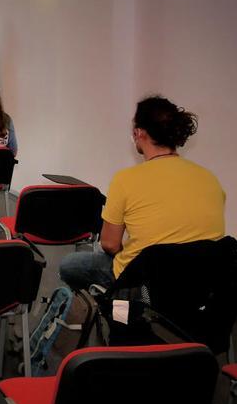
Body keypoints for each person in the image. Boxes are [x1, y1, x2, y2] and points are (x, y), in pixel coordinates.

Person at [59, 96, 225, 290]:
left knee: (70, 264)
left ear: (139, 133)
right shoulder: (210, 179)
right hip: (200, 280)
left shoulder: (125, 180)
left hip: (146, 282)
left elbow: (110, 244)